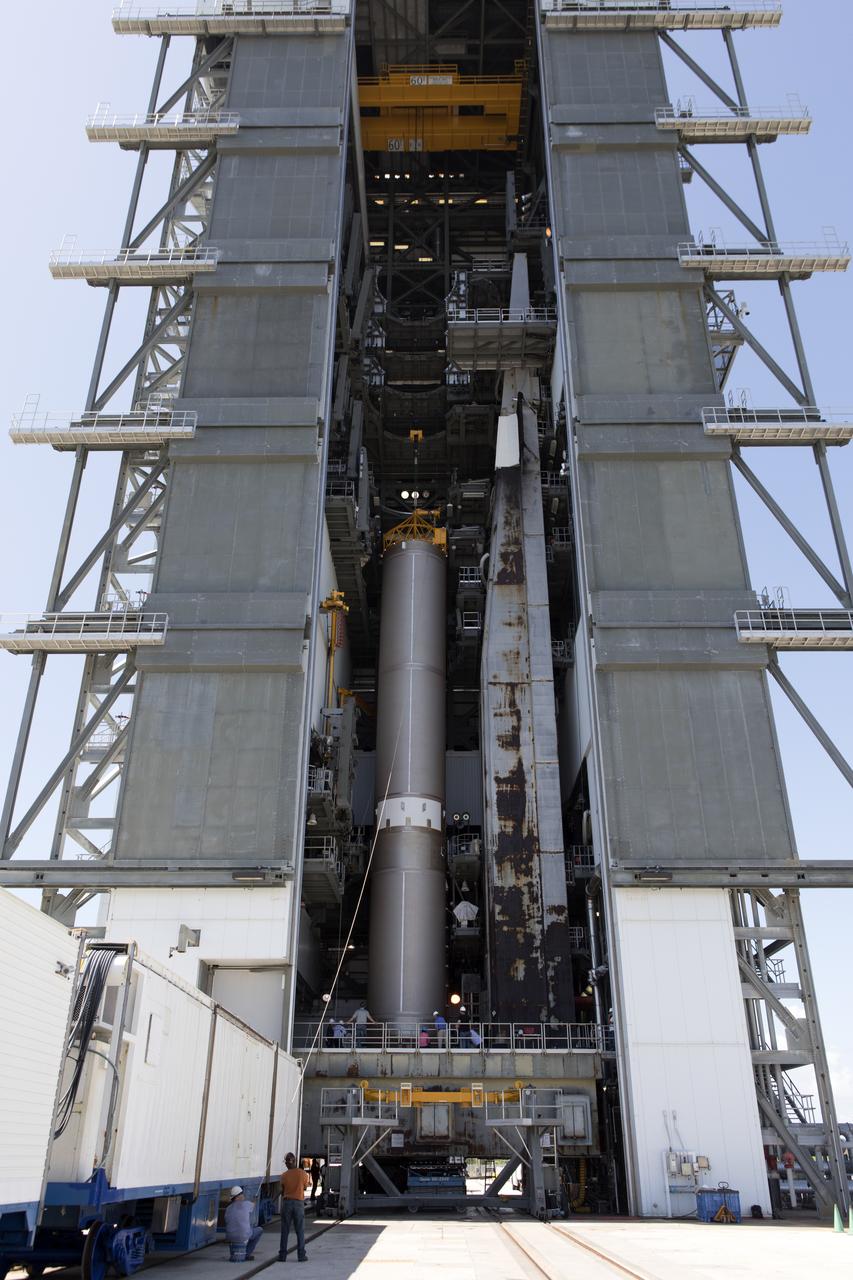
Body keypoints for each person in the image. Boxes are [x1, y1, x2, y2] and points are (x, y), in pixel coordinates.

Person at [279, 1152, 310, 1262]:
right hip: (298, 1204)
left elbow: (282, 1190)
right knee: (300, 1230)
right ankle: (301, 1255)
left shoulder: (284, 1175)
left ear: (287, 1163)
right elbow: (305, 1187)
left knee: (285, 1230)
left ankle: (282, 1256)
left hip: (287, 1203)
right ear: (295, 1161)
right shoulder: (303, 1174)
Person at [224, 1186, 263, 1261]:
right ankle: (247, 1254)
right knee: (259, 1230)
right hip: (243, 1235)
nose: (243, 1195)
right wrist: (255, 1198)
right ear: (238, 1196)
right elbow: (253, 1205)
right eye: (241, 1193)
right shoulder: (246, 1204)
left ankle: (236, 1253)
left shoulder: (228, 1208)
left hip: (230, 1237)